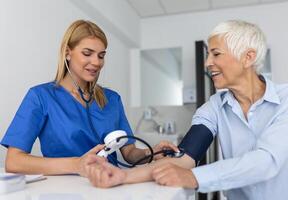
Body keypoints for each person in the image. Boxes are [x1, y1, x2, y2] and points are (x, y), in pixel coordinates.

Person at [82, 20, 288, 200]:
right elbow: (185, 157)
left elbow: (266, 161)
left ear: (248, 57)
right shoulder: (214, 107)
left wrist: (194, 178)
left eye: (216, 54)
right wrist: (123, 176)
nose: (207, 63)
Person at [0, 19, 177, 176]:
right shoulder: (40, 97)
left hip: (111, 185)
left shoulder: (112, 99)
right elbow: (14, 162)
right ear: (68, 53)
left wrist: (151, 153)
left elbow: (129, 153)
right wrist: (77, 164)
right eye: (87, 53)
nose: (96, 62)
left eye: (101, 56)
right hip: (64, 191)